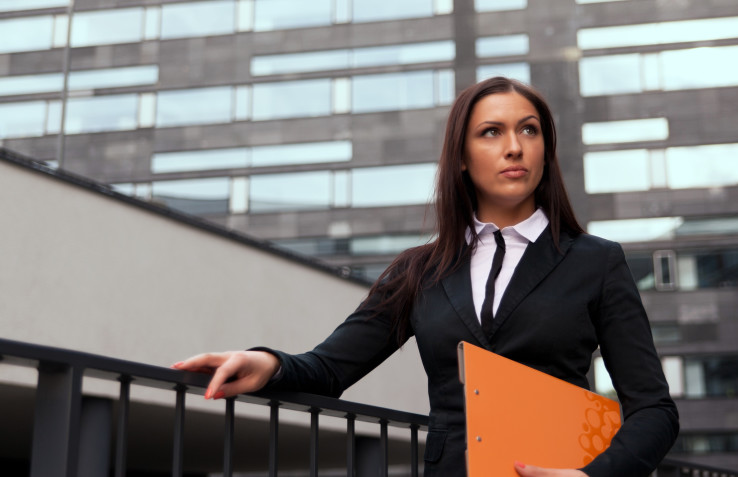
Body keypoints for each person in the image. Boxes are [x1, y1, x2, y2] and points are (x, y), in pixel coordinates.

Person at [173, 77, 679, 476]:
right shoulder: (418, 271)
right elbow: (329, 368)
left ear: (546, 151)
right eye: (491, 132)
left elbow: (653, 409)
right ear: (461, 157)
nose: (514, 147)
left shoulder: (597, 262)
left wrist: (593, 476)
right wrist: (266, 363)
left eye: (529, 130)